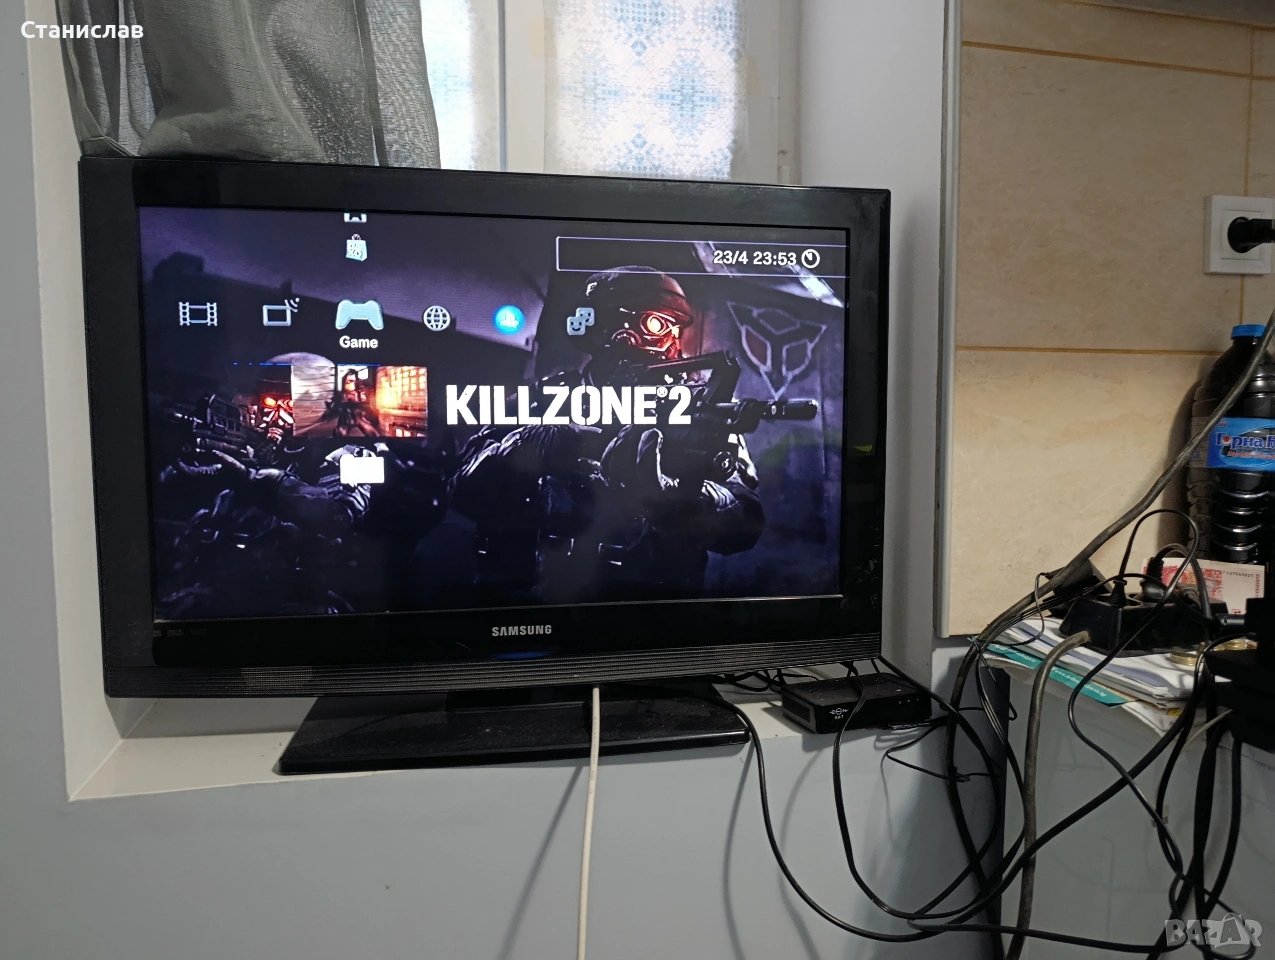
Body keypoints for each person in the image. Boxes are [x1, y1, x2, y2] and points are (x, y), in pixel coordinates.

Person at [452, 267, 764, 605]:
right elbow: (463, 489)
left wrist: (685, 500)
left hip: (649, 610)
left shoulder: (694, 409)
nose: (664, 338)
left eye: (668, 326)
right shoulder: (546, 398)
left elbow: (743, 519)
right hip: (535, 603)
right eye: (652, 322)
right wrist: (530, 446)